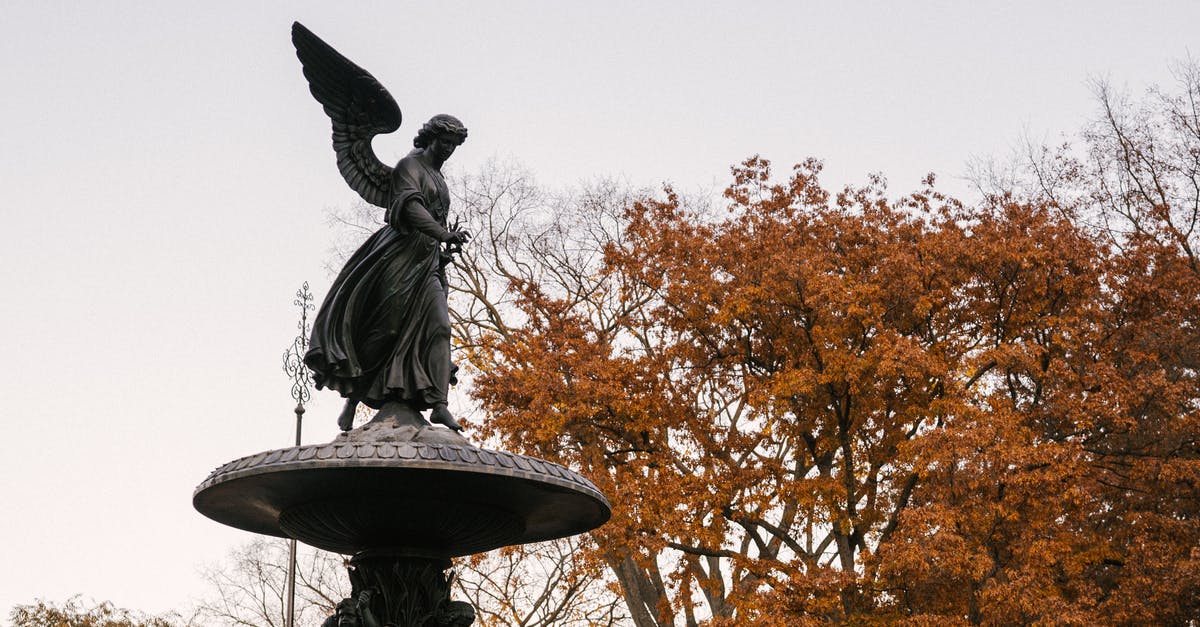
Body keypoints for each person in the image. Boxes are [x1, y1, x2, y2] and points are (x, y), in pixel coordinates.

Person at [304, 115, 470, 431]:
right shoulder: (410, 167)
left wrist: (443, 248)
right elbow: (411, 209)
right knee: (386, 331)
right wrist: (442, 233)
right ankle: (353, 397)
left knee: (440, 326)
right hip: (399, 258)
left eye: (454, 144)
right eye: (444, 142)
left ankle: (439, 404)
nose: (448, 149)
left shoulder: (438, 175)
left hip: (427, 263)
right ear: (431, 138)